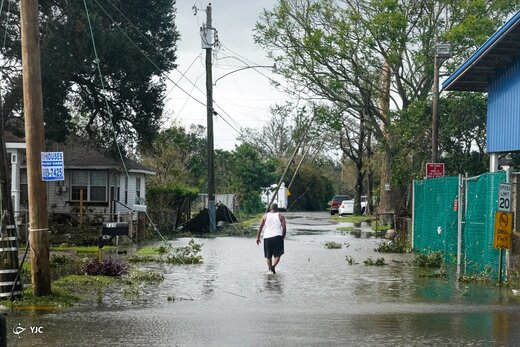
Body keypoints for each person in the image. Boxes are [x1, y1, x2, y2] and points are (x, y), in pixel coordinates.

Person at [256, 203, 287, 274]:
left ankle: (270, 270)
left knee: (268, 256)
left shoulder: (265, 216)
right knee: (278, 255)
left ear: (270, 208)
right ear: (277, 208)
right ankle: (273, 266)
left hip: (267, 237)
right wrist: (283, 236)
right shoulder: (281, 216)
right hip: (277, 237)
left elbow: (260, 227)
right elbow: (284, 228)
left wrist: (258, 237)